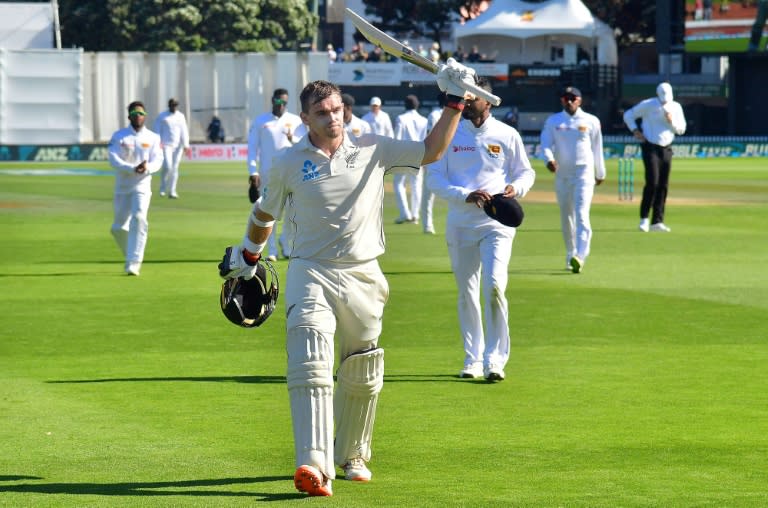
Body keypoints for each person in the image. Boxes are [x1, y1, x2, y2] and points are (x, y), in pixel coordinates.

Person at [218, 59, 479, 497]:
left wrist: (454, 102)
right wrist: (249, 254)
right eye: (322, 112)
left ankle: (352, 453)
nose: (333, 117)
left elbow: (431, 151)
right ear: (305, 119)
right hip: (310, 271)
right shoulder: (286, 162)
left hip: (364, 273)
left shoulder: (374, 148)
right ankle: (314, 466)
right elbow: (264, 214)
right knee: (310, 361)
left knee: (362, 370)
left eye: (337, 109)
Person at [427, 77, 535, 382]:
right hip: (461, 222)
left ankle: (495, 360)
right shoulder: (447, 133)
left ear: (488, 100)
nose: (468, 101)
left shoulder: (506, 134)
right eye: (465, 97)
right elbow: (434, 178)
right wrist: (464, 194)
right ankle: (472, 358)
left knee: (495, 286)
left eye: (474, 97)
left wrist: (518, 187)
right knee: (467, 292)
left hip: (496, 222)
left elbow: (525, 171)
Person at [540, 86, 606, 274]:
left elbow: (597, 147)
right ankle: (571, 253)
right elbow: (545, 144)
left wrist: (600, 172)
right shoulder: (554, 121)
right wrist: (549, 160)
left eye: (572, 98)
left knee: (582, 214)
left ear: (579, 100)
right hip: (562, 175)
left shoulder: (591, 121)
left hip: (583, 173)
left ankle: (581, 255)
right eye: (565, 98)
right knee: (567, 216)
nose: (568, 101)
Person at [246, 88, 307, 260]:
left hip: (291, 173)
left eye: (285, 102)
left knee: (291, 211)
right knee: (269, 212)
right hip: (268, 174)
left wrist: (291, 139)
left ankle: (285, 242)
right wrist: (253, 171)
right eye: (279, 101)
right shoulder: (261, 121)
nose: (281, 105)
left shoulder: (295, 121)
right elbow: (252, 148)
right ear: (273, 100)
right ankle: (271, 250)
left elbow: (304, 144)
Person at [107, 101, 163, 276]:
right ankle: (130, 254)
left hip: (142, 185)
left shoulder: (153, 137)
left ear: (145, 116)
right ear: (129, 116)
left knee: (139, 217)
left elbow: (158, 160)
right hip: (123, 187)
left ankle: (134, 262)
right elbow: (113, 159)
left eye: (140, 113)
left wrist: (147, 168)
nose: (137, 116)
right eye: (134, 113)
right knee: (118, 228)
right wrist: (131, 168)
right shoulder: (119, 136)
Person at [623, 82, 687, 233]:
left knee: (663, 185)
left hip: (667, 148)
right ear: (658, 94)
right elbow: (628, 115)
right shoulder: (649, 105)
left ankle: (657, 221)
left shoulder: (676, 107)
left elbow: (681, 129)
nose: (665, 101)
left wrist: (672, 122)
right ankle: (644, 218)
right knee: (652, 182)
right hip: (650, 146)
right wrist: (635, 130)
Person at [393, 95, 428, 224]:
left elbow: (397, 138)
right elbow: (426, 139)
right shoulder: (424, 120)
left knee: (399, 184)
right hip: (419, 155)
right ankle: (414, 215)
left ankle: (405, 214)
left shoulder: (401, 118)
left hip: (403, 155)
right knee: (416, 186)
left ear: (405, 105)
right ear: (417, 105)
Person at [153, 98, 190, 199]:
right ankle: (163, 188)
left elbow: (184, 131)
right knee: (167, 166)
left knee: (175, 168)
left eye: (175, 105)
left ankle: (172, 191)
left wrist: (186, 145)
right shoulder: (162, 116)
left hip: (178, 146)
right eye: (172, 105)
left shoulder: (180, 116)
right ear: (169, 105)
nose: (174, 107)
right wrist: (158, 142)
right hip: (166, 145)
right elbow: (157, 130)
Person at [421, 92, 447, 234]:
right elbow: (431, 136)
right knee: (428, 194)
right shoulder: (435, 115)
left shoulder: (453, 114)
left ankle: (428, 226)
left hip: (443, 157)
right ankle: (428, 225)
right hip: (437, 157)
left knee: (429, 195)